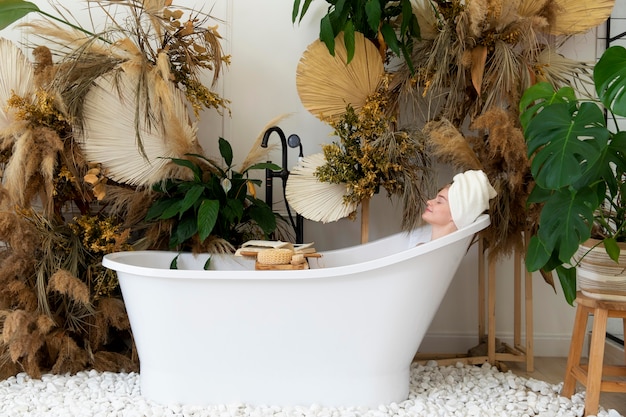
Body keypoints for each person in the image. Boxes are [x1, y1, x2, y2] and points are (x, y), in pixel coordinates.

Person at [421, 170, 497, 241]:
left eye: (439, 201)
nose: (428, 202)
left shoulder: (441, 254)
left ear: (456, 215)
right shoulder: (427, 251)